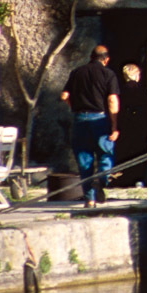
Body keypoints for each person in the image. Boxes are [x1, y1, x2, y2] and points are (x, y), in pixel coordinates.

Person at [60, 45, 120, 207]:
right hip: (100, 119)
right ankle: (100, 181)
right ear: (106, 59)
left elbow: (64, 95)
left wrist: (72, 107)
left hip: (80, 119)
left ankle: (90, 199)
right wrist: (114, 126)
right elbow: (112, 100)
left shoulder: (77, 72)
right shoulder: (108, 74)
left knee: (84, 160)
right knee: (105, 155)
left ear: (91, 57)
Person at [114, 63, 147, 187]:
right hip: (140, 127)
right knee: (140, 152)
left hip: (124, 126)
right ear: (136, 75)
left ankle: (124, 176)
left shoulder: (119, 90)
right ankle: (138, 178)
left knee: (125, 150)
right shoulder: (141, 91)